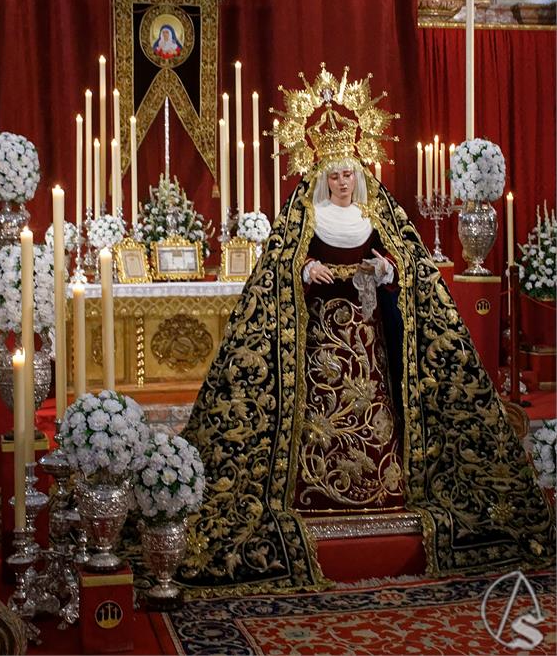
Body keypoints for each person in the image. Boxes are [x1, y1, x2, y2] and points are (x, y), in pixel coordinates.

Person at [178, 68, 555, 596]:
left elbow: (407, 266)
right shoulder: (301, 218)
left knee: (376, 420)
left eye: (347, 174)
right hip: (317, 347)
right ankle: (310, 490)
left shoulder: (378, 216)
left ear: (358, 173)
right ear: (320, 176)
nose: (341, 182)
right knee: (321, 425)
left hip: (368, 341)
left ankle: (385, 490)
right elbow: (278, 270)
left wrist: (388, 270)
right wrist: (301, 273)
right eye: (333, 175)